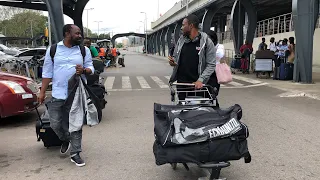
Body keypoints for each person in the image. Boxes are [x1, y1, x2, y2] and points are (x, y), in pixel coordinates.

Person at [38, 24, 94, 167]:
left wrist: (85, 70)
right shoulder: (53, 50)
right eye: (77, 33)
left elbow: (91, 68)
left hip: (76, 93)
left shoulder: (83, 50)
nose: (80, 36)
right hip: (58, 93)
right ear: (67, 33)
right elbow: (47, 73)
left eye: (80, 33)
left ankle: (75, 153)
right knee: (55, 123)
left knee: (76, 123)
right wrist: (42, 92)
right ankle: (66, 139)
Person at [168, 14, 216, 102]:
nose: (181, 28)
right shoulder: (180, 41)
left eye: (183, 25)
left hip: (198, 86)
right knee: (183, 111)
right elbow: (175, 57)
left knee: (197, 113)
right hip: (182, 85)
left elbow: (211, 64)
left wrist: (201, 80)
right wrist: (173, 62)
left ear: (191, 26)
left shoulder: (206, 42)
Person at [206, 30, 225, 107]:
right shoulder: (206, 47)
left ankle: (216, 109)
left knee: (213, 93)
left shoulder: (220, 46)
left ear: (213, 39)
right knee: (206, 93)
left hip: (216, 73)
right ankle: (213, 109)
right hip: (207, 73)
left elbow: (220, 54)